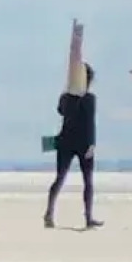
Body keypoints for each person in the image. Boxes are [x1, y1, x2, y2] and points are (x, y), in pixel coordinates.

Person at [44, 62, 103, 229]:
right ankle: (88, 217)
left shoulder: (65, 98)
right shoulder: (89, 99)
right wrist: (92, 144)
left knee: (60, 177)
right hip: (83, 143)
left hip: (65, 141)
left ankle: (49, 213)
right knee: (87, 181)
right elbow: (90, 122)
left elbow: (60, 110)